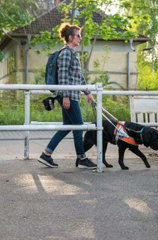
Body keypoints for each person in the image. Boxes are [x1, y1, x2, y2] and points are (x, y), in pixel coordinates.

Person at [38, 23, 97, 169]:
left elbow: (78, 77)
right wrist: (65, 96)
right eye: (78, 35)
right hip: (68, 95)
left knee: (67, 127)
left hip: (72, 95)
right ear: (70, 37)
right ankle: (82, 158)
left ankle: (46, 154)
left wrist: (88, 93)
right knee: (78, 127)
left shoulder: (72, 54)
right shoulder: (65, 53)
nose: (80, 38)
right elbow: (63, 75)